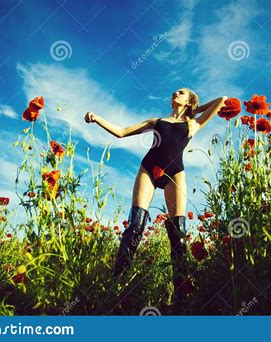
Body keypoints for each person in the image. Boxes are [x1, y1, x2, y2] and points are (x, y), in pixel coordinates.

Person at [84, 88, 228, 305]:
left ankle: (181, 296)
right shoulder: (157, 120)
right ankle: (117, 285)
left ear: (189, 101)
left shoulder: (193, 124)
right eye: (175, 92)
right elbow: (122, 132)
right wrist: (97, 119)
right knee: (135, 225)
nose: (175, 93)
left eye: (181, 92)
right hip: (149, 168)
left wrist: (195, 109)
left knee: (178, 234)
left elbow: (222, 100)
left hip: (174, 174)